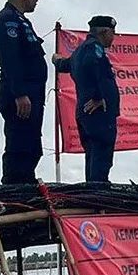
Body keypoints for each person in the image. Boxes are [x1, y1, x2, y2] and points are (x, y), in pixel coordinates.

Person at [0, 0, 47, 184]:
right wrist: (20, 93)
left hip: (32, 96)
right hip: (20, 97)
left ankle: (25, 185)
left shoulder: (21, 21)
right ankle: (14, 190)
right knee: (19, 147)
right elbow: (10, 59)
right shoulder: (8, 21)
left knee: (31, 146)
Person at [52, 16, 120, 182]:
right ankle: (98, 193)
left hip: (86, 113)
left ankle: (94, 188)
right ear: (104, 31)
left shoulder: (81, 50)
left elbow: (65, 65)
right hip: (98, 113)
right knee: (101, 155)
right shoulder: (94, 50)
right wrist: (99, 96)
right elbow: (93, 67)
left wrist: (56, 60)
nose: (114, 38)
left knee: (93, 154)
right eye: (112, 33)